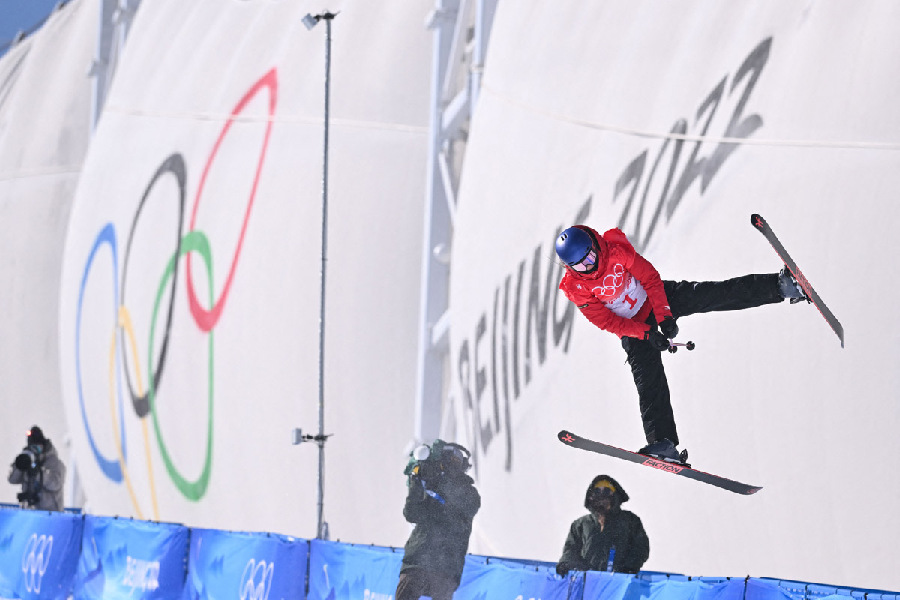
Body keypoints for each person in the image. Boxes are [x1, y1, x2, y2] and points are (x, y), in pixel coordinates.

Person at [555, 225, 807, 463]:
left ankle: (781, 286)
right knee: (648, 380)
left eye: (590, 257)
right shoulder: (576, 288)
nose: (590, 266)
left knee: (711, 295)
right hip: (633, 328)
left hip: (657, 298)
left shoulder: (615, 249)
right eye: (581, 265)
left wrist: (664, 315)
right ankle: (663, 443)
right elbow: (607, 321)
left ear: (594, 246)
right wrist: (646, 334)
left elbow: (651, 278)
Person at [396, 439, 481, 600]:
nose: (450, 466)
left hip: (445, 568)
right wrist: (416, 484)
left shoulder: (470, 494)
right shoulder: (430, 483)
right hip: (417, 561)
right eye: (447, 461)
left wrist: (438, 485)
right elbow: (411, 514)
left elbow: (458, 516)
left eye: (455, 461)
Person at [556, 475, 649, 575]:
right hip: (588, 582)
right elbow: (571, 549)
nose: (601, 495)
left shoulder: (629, 521)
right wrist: (566, 563)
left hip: (618, 582)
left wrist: (628, 568)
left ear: (615, 495)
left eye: (606, 491)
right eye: (597, 491)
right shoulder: (581, 524)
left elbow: (640, 548)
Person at [7, 425, 66, 511]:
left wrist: (39, 473)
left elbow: (55, 484)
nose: (35, 450)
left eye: (37, 447)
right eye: (32, 447)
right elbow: (12, 479)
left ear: (44, 446)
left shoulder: (55, 463)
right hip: (29, 511)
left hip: (51, 514)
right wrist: (20, 464)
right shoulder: (28, 460)